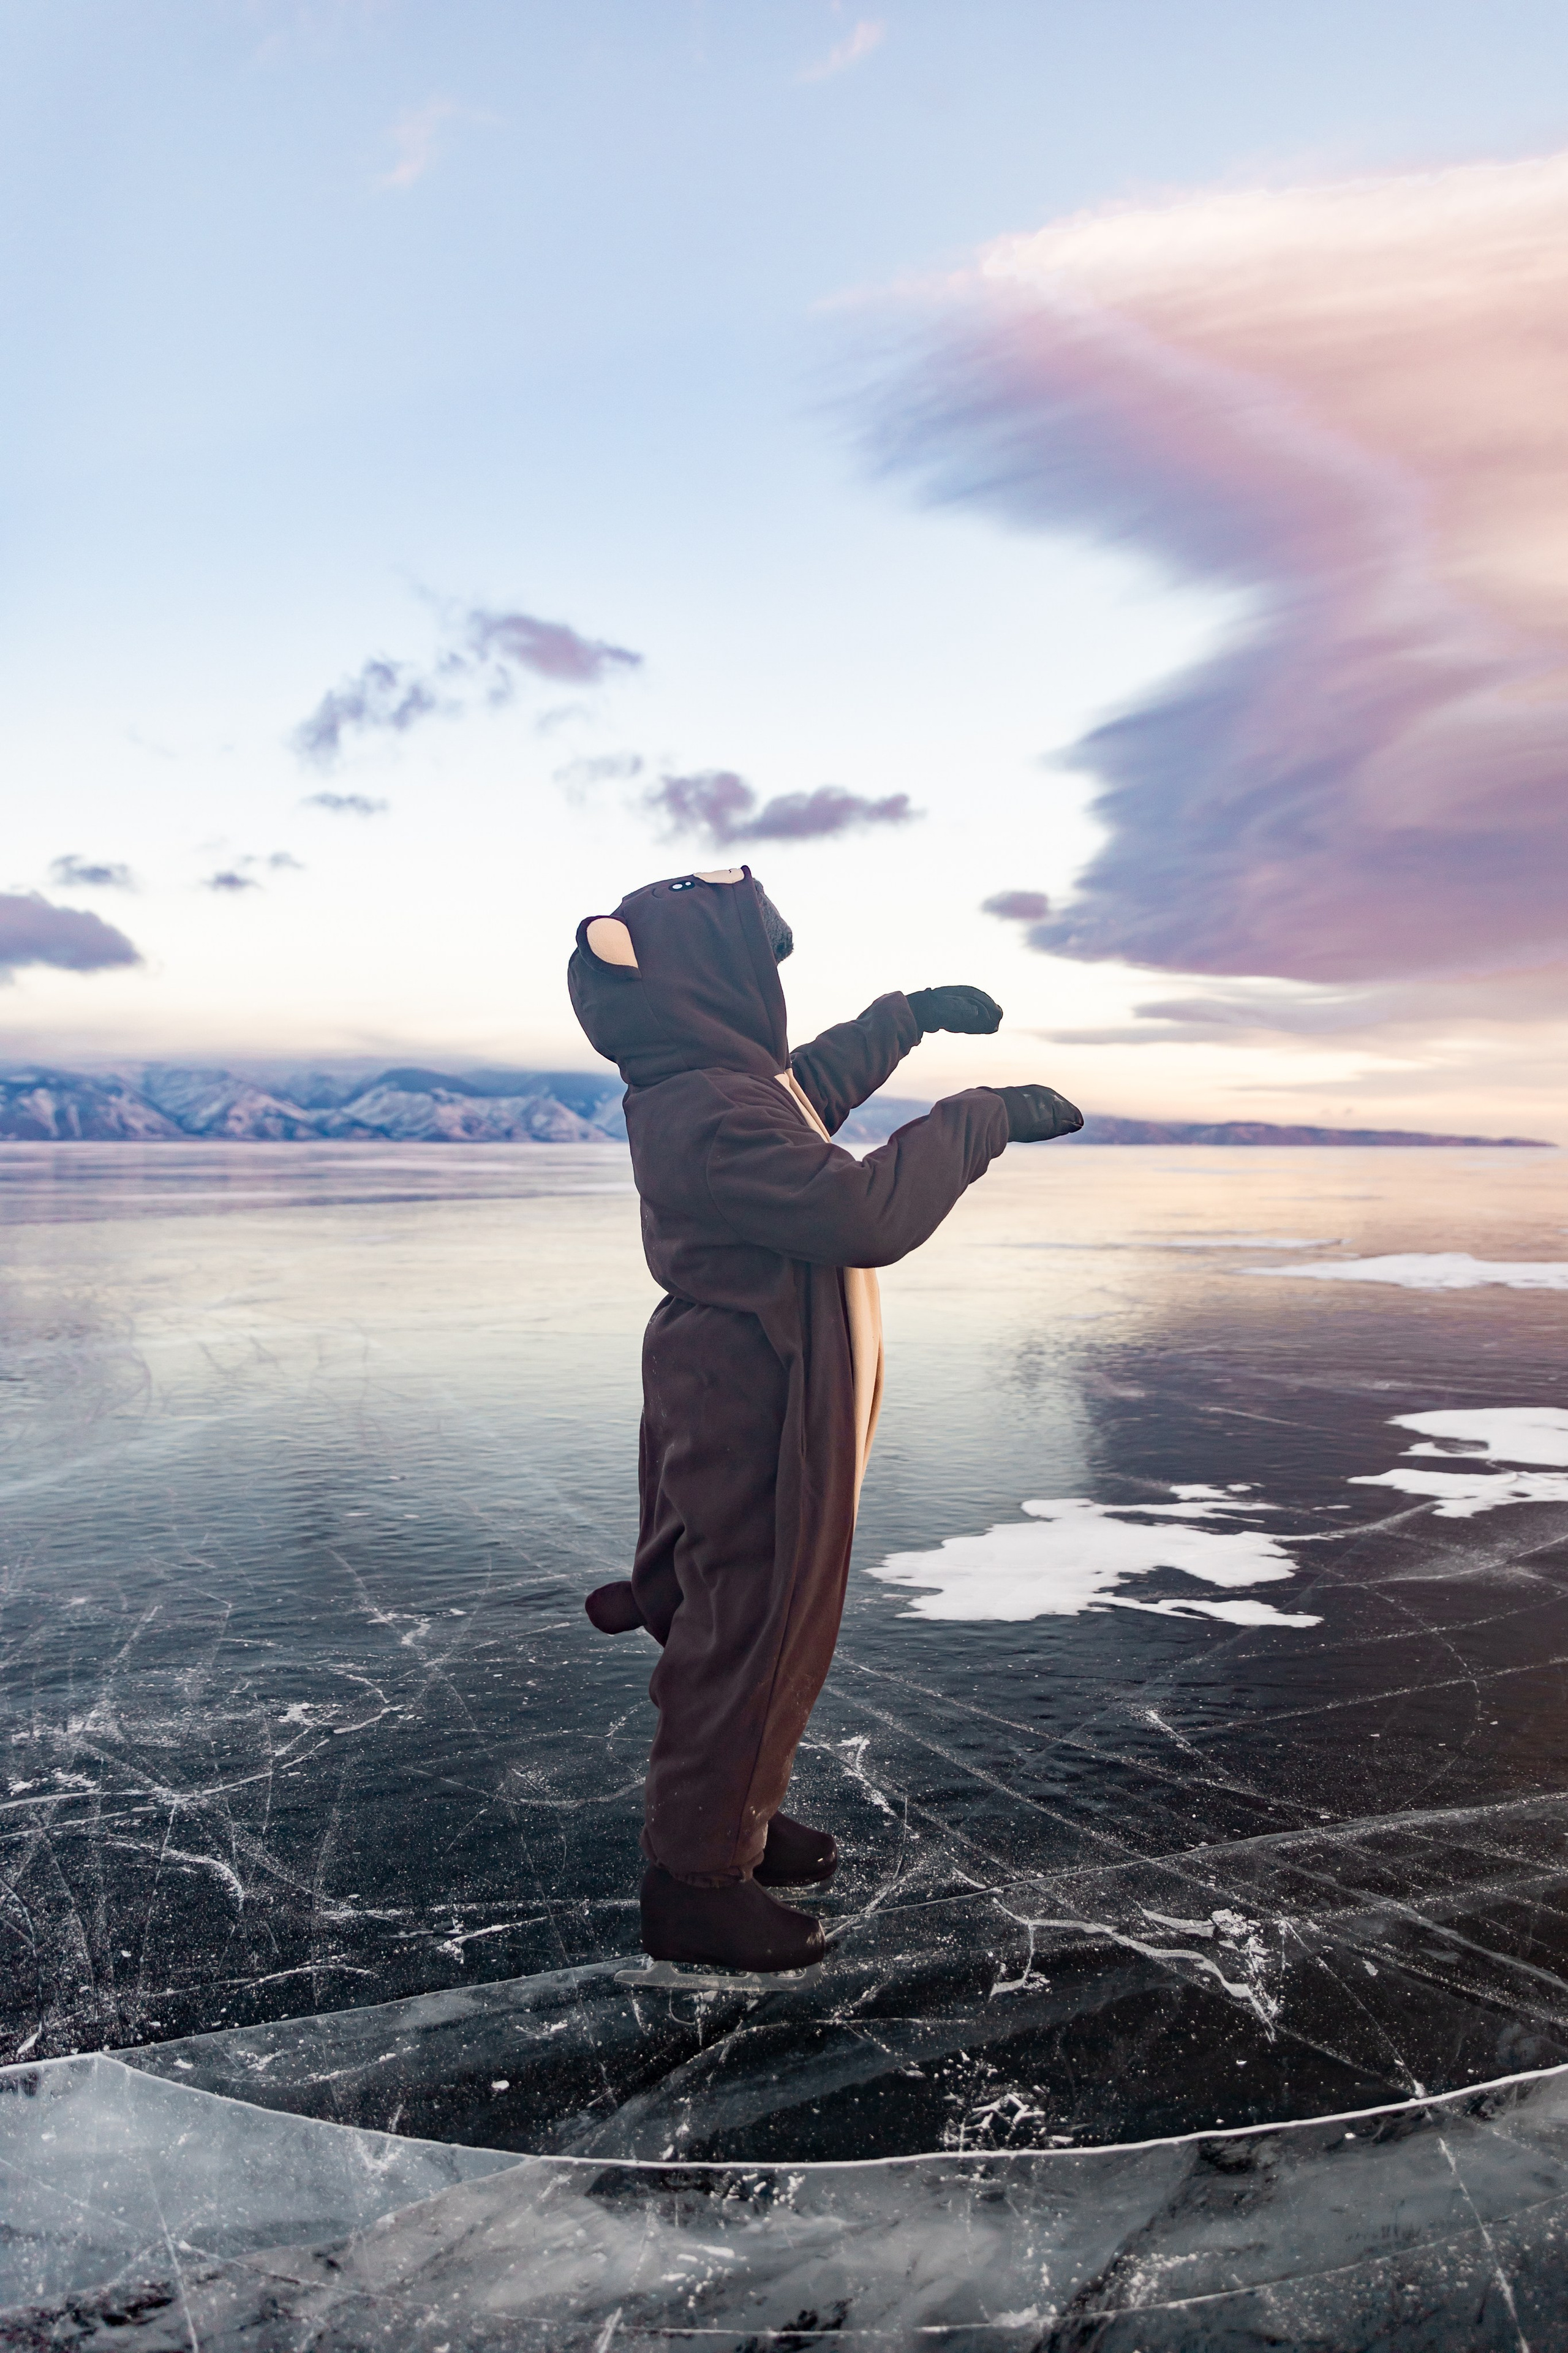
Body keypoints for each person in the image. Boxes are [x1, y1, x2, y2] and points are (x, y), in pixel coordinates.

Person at [567, 864, 1082, 1972]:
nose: (776, 978)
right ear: (715, 981)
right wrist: (981, 1119)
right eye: (762, 958)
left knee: (745, 1607)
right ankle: (698, 1878)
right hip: (756, 1394)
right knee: (755, 1622)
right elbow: (863, 1211)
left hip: (734, 1375)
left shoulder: (713, 1082)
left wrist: (907, 1019)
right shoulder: (710, 1115)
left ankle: (734, 1813)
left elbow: (806, 1091)